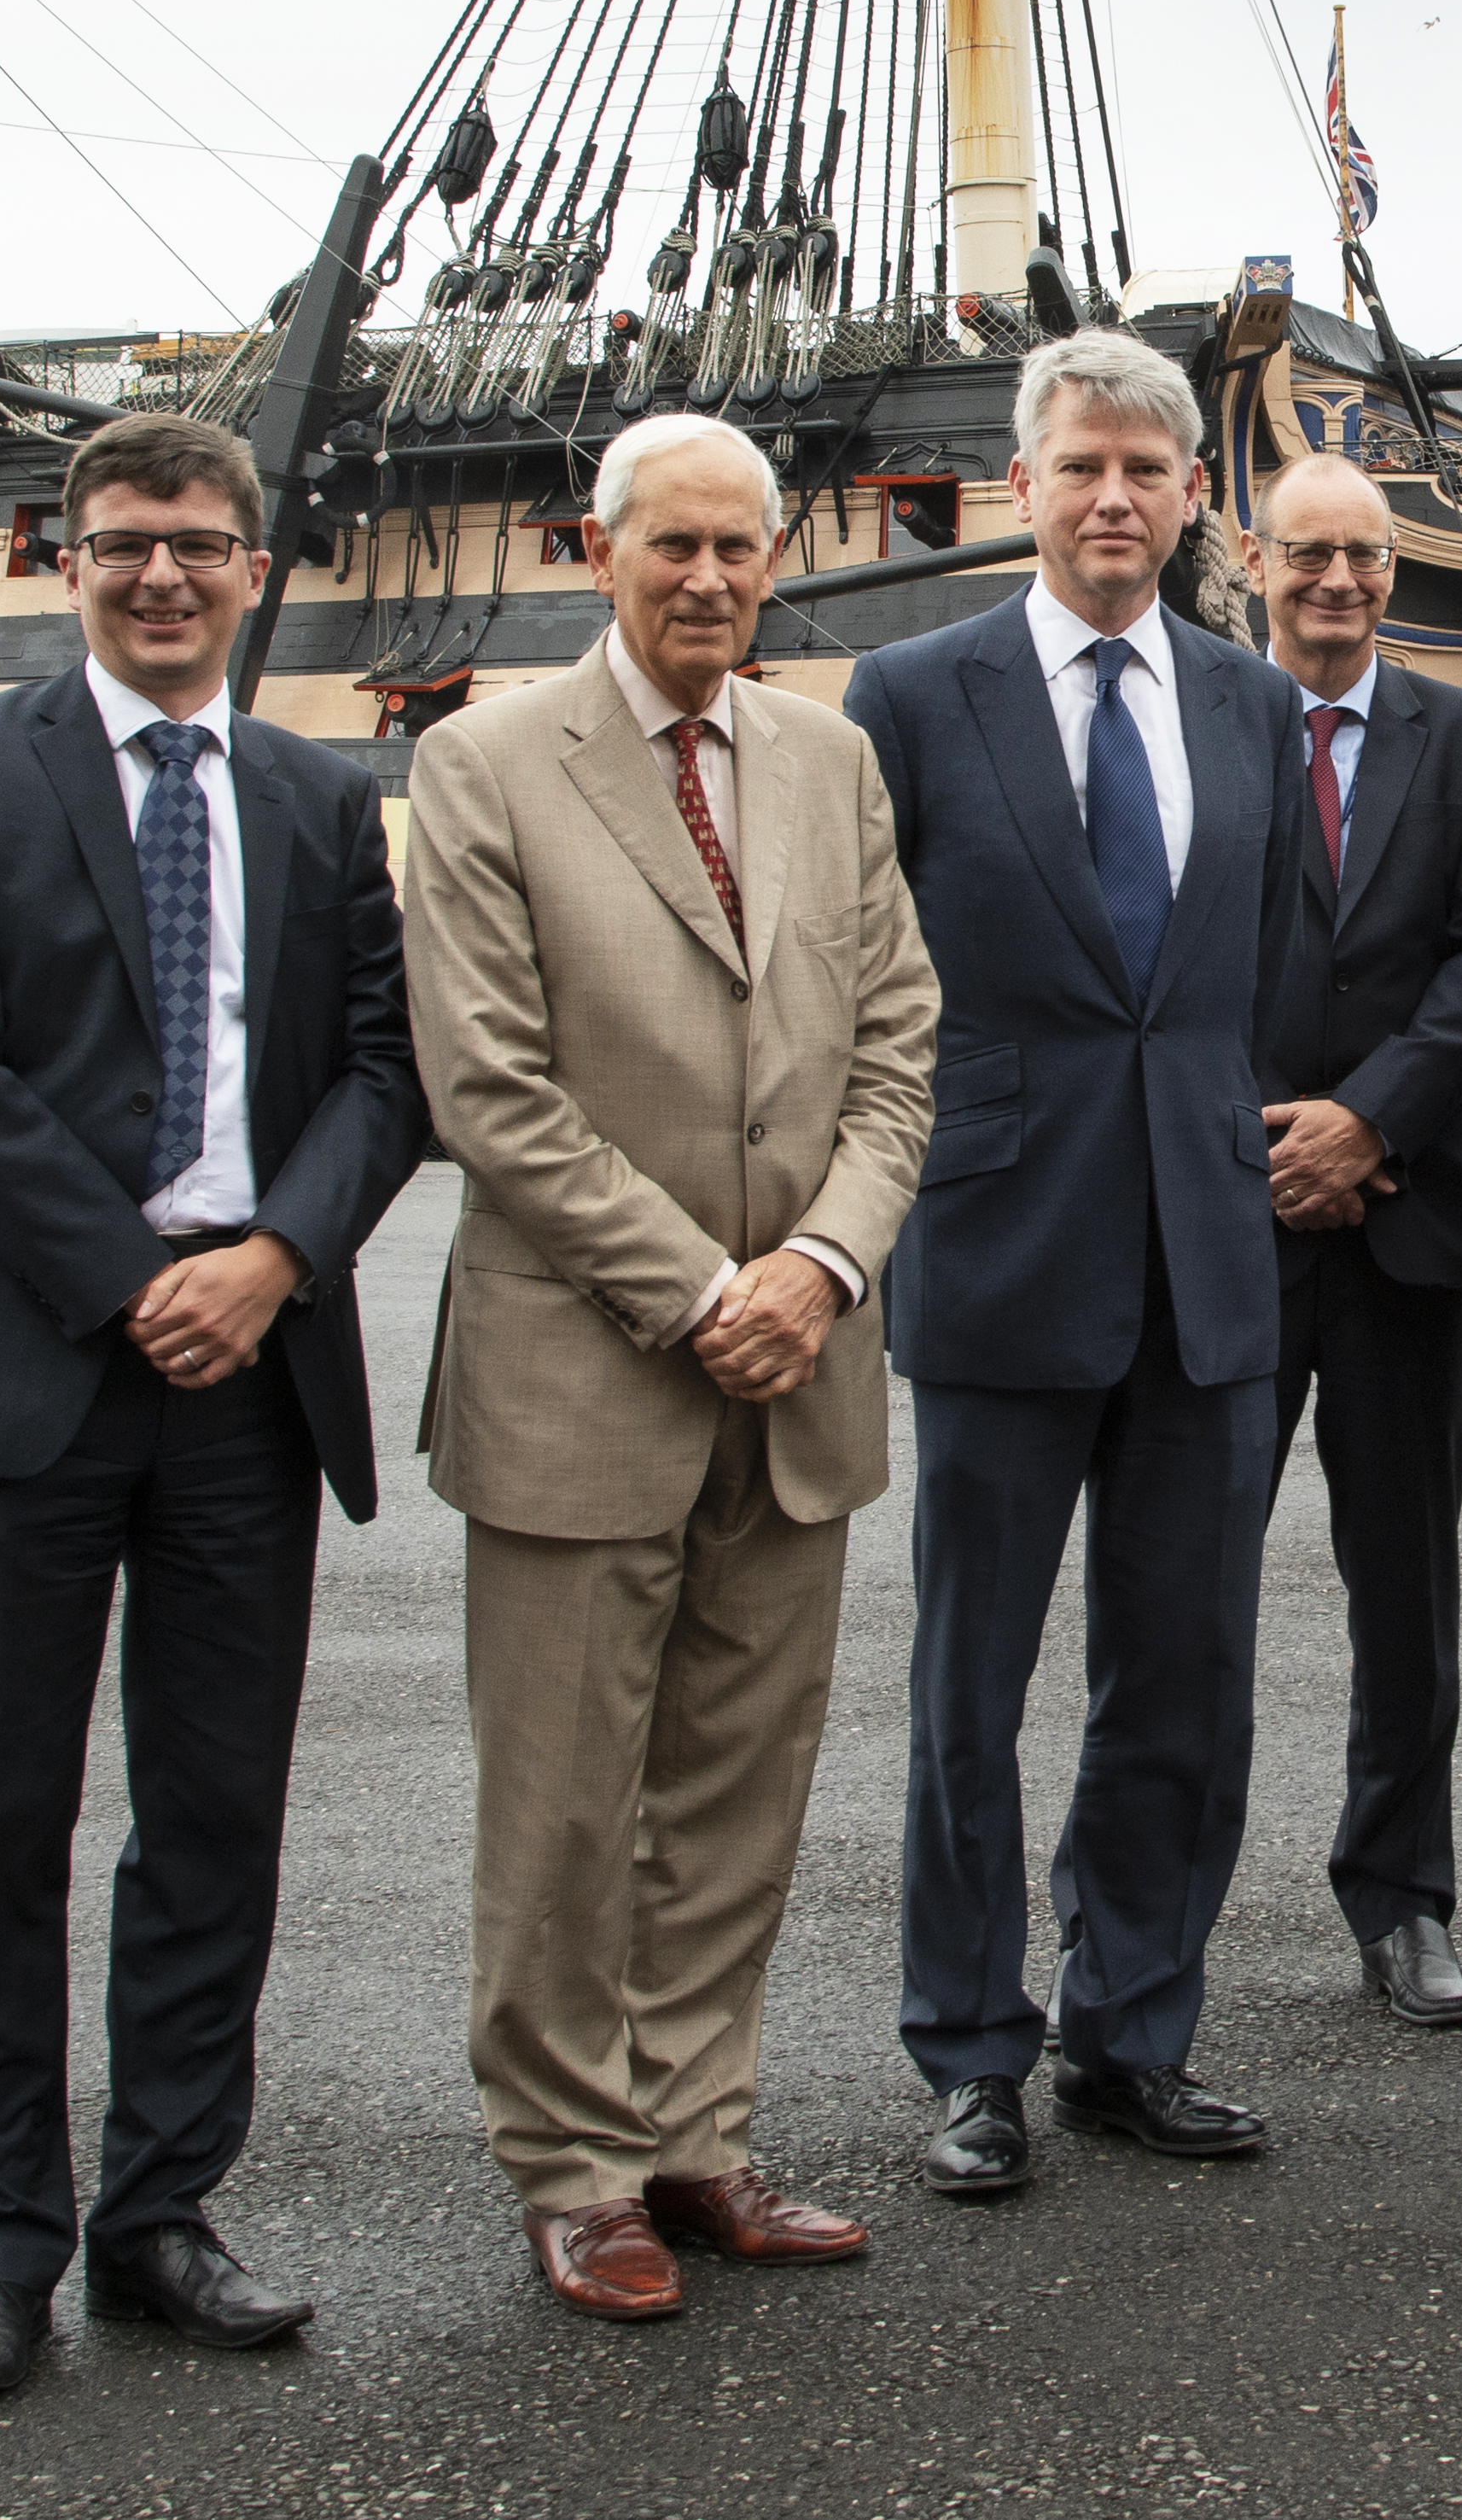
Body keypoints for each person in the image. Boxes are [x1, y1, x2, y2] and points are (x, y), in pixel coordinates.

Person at [0, 411, 427, 2403]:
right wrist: (131, 1274)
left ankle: (163, 2212)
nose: (158, 575)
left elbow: (377, 1072)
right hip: (32, 1359)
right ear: (65, 565)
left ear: (255, 567)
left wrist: (268, 1264)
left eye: (194, 545)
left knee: (215, 1818)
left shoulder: (319, 793)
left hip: (249, 1373)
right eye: (120, 546)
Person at [402, 411, 940, 2319]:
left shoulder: (827, 759)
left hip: (800, 1362)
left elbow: (898, 1047)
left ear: (776, 561)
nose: (708, 578)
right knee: (559, 1798)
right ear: (597, 552)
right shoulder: (482, 767)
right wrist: (701, 1285)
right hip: (585, 1367)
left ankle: (699, 2134)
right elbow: (491, 1087)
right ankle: (571, 2167)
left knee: (736, 1785)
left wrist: (817, 1265)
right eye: (672, 548)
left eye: (739, 548)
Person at [841, 326, 1309, 2192]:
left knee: (1181, 1678)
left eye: (1147, 470)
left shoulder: (1247, 703)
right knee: (972, 1679)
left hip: (1204, 1262)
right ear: (1020, 489)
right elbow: (862, 973)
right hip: (998, 1243)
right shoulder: (910, 693)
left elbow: (1252, 979)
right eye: (1079, 468)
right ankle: (970, 2054)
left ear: (1194, 496)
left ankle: (1134, 2031)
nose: (1113, 499)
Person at [1244, 451, 1462, 2029]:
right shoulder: (1205, 719)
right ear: (1255, 557)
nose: (1337, 582)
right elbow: (1166, 957)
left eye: (1362, 556)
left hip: (1407, 1217)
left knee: (1404, 1587)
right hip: (1231, 1213)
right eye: (1308, 555)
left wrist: (1369, 1122)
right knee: (1184, 1585)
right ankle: (1148, 1909)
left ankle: (1404, 1896)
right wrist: (1275, 1134)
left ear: (1392, 569)